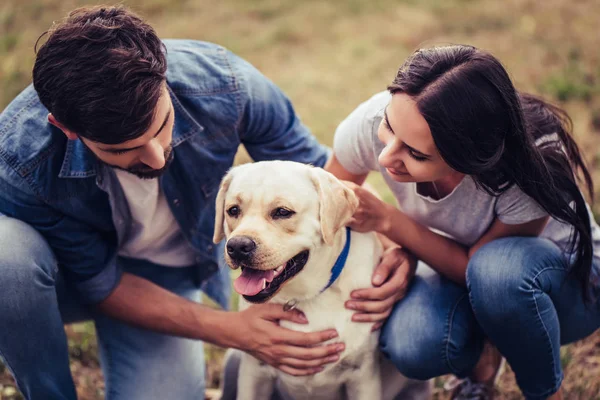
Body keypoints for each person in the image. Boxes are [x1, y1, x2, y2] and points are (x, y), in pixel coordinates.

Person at [0, 6, 411, 400]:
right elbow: (100, 282)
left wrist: (396, 247)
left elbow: (322, 175)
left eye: (160, 127)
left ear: (163, 79)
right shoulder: (21, 156)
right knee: (6, 258)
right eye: (124, 149)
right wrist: (232, 329)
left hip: (165, 274)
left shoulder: (225, 83)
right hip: (63, 277)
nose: (157, 157)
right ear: (66, 128)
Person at [326, 44, 600, 400]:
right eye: (389, 126)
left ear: (470, 161)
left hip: (564, 290)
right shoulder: (372, 120)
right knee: (415, 343)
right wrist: (398, 251)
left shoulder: (530, 166)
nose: (386, 155)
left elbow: (480, 269)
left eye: (416, 153)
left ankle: (546, 391)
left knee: (497, 274)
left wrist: (391, 222)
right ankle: (484, 359)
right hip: (465, 272)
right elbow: (328, 205)